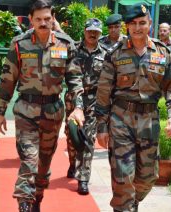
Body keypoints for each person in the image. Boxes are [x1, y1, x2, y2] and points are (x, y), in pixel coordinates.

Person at [0, 1, 85, 212]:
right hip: (26, 111)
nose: (43, 23)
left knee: (43, 167)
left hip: (53, 113)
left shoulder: (65, 44)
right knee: (29, 160)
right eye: (38, 19)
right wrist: (0, 112)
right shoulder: (19, 44)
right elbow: (8, 79)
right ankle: (24, 204)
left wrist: (78, 107)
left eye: (47, 18)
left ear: (53, 18)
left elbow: (75, 79)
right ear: (30, 19)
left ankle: (37, 199)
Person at [95, 2, 171, 212]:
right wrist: (101, 125)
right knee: (124, 178)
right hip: (120, 119)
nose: (137, 28)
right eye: (132, 23)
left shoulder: (162, 53)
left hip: (149, 121)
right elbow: (104, 91)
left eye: (142, 23)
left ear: (149, 24)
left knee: (147, 178)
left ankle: (131, 203)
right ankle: (124, 206)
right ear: (127, 26)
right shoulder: (115, 54)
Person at [64, 18, 106, 195]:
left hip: (93, 101)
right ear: (84, 30)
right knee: (72, 138)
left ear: (100, 33)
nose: (92, 34)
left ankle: (83, 178)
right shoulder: (72, 49)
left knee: (89, 140)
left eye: (96, 31)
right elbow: (69, 76)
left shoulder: (106, 54)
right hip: (73, 99)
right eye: (90, 30)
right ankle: (72, 163)